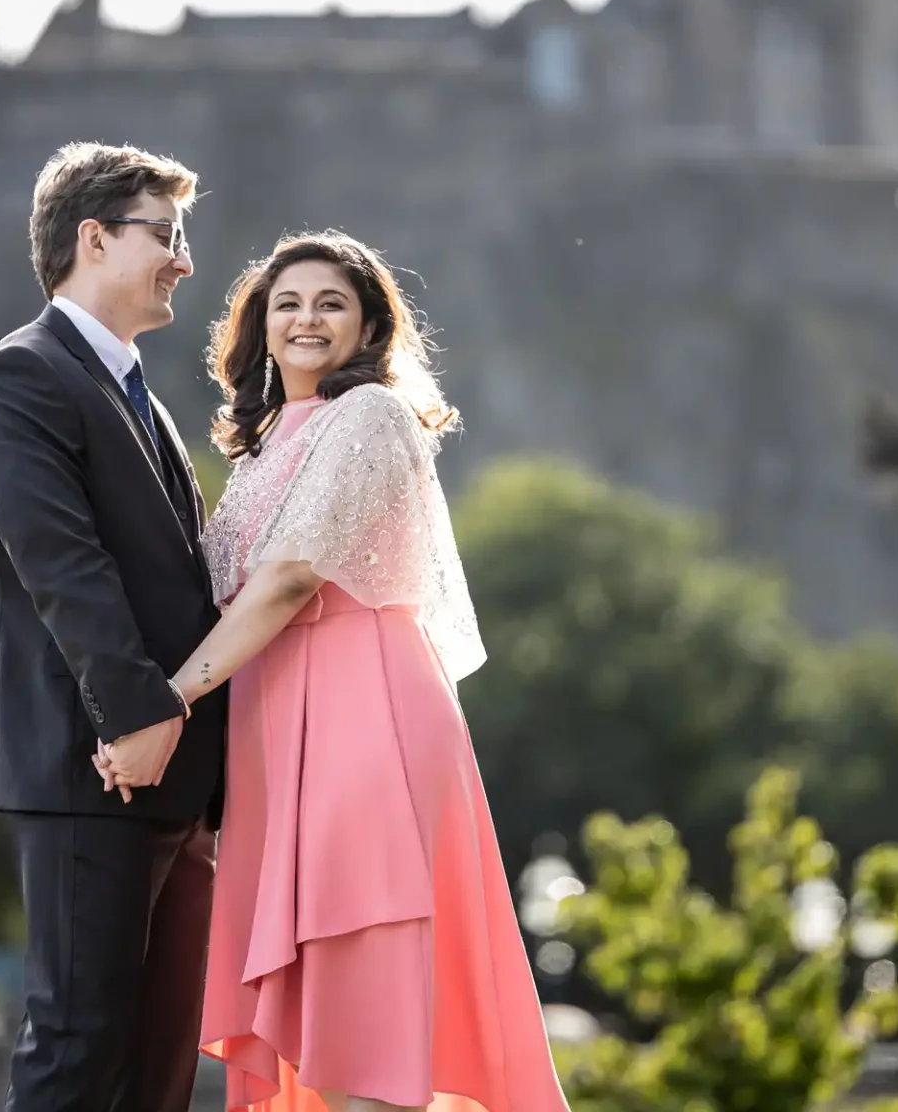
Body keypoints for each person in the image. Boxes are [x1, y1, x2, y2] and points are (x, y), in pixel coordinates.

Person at [96, 231, 573, 1112]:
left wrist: (163, 702)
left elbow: (288, 580)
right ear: (261, 329)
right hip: (281, 732)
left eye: (331, 303)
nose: (307, 318)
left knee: (367, 1029)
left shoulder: (371, 415)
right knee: (319, 1033)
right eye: (288, 304)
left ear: (367, 326)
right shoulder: (271, 441)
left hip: (364, 717)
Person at [0, 142, 225, 1111]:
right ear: (95, 238)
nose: (184, 258)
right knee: (78, 1045)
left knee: (157, 1069)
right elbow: (63, 566)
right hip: (89, 760)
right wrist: (136, 713)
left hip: (170, 778)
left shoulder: (132, 389)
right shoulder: (20, 376)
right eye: (167, 235)